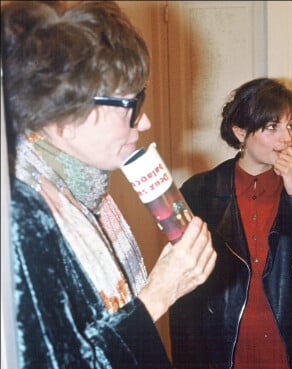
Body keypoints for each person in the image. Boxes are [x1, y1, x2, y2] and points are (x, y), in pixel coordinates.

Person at [2, 2, 217, 368]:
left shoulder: (89, 194)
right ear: (65, 117)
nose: (145, 121)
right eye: (131, 104)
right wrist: (161, 292)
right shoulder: (23, 213)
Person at [169, 77, 292, 369]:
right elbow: (184, 291)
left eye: (289, 126)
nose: (286, 139)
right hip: (220, 351)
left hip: (286, 347)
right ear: (240, 132)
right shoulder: (199, 191)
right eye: (272, 127)